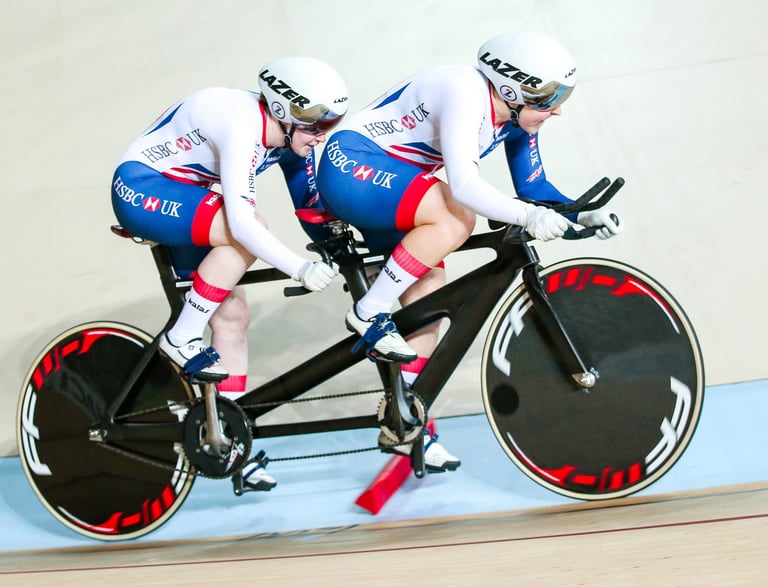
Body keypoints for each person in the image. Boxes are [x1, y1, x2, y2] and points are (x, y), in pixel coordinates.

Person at [316, 32, 623, 472]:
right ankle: (369, 311)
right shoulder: (464, 91)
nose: (559, 108)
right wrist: (529, 217)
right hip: (351, 164)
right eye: (550, 97)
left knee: (428, 306)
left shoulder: (517, 118)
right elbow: (464, 185)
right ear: (512, 89)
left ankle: (406, 427)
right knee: (457, 215)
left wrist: (580, 216)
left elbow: (533, 188)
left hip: (393, 180)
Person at [111, 56, 349, 491]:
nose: (324, 135)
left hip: (186, 192)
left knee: (233, 318)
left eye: (333, 123)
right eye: (318, 125)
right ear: (283, 110)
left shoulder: (292, 138)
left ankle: (233, 443)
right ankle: (180, 338)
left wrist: (334, 244)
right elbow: (241, 223)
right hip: (143, 187)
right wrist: (299, 267)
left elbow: (309, 202)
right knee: (245, 237)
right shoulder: (241, 124)